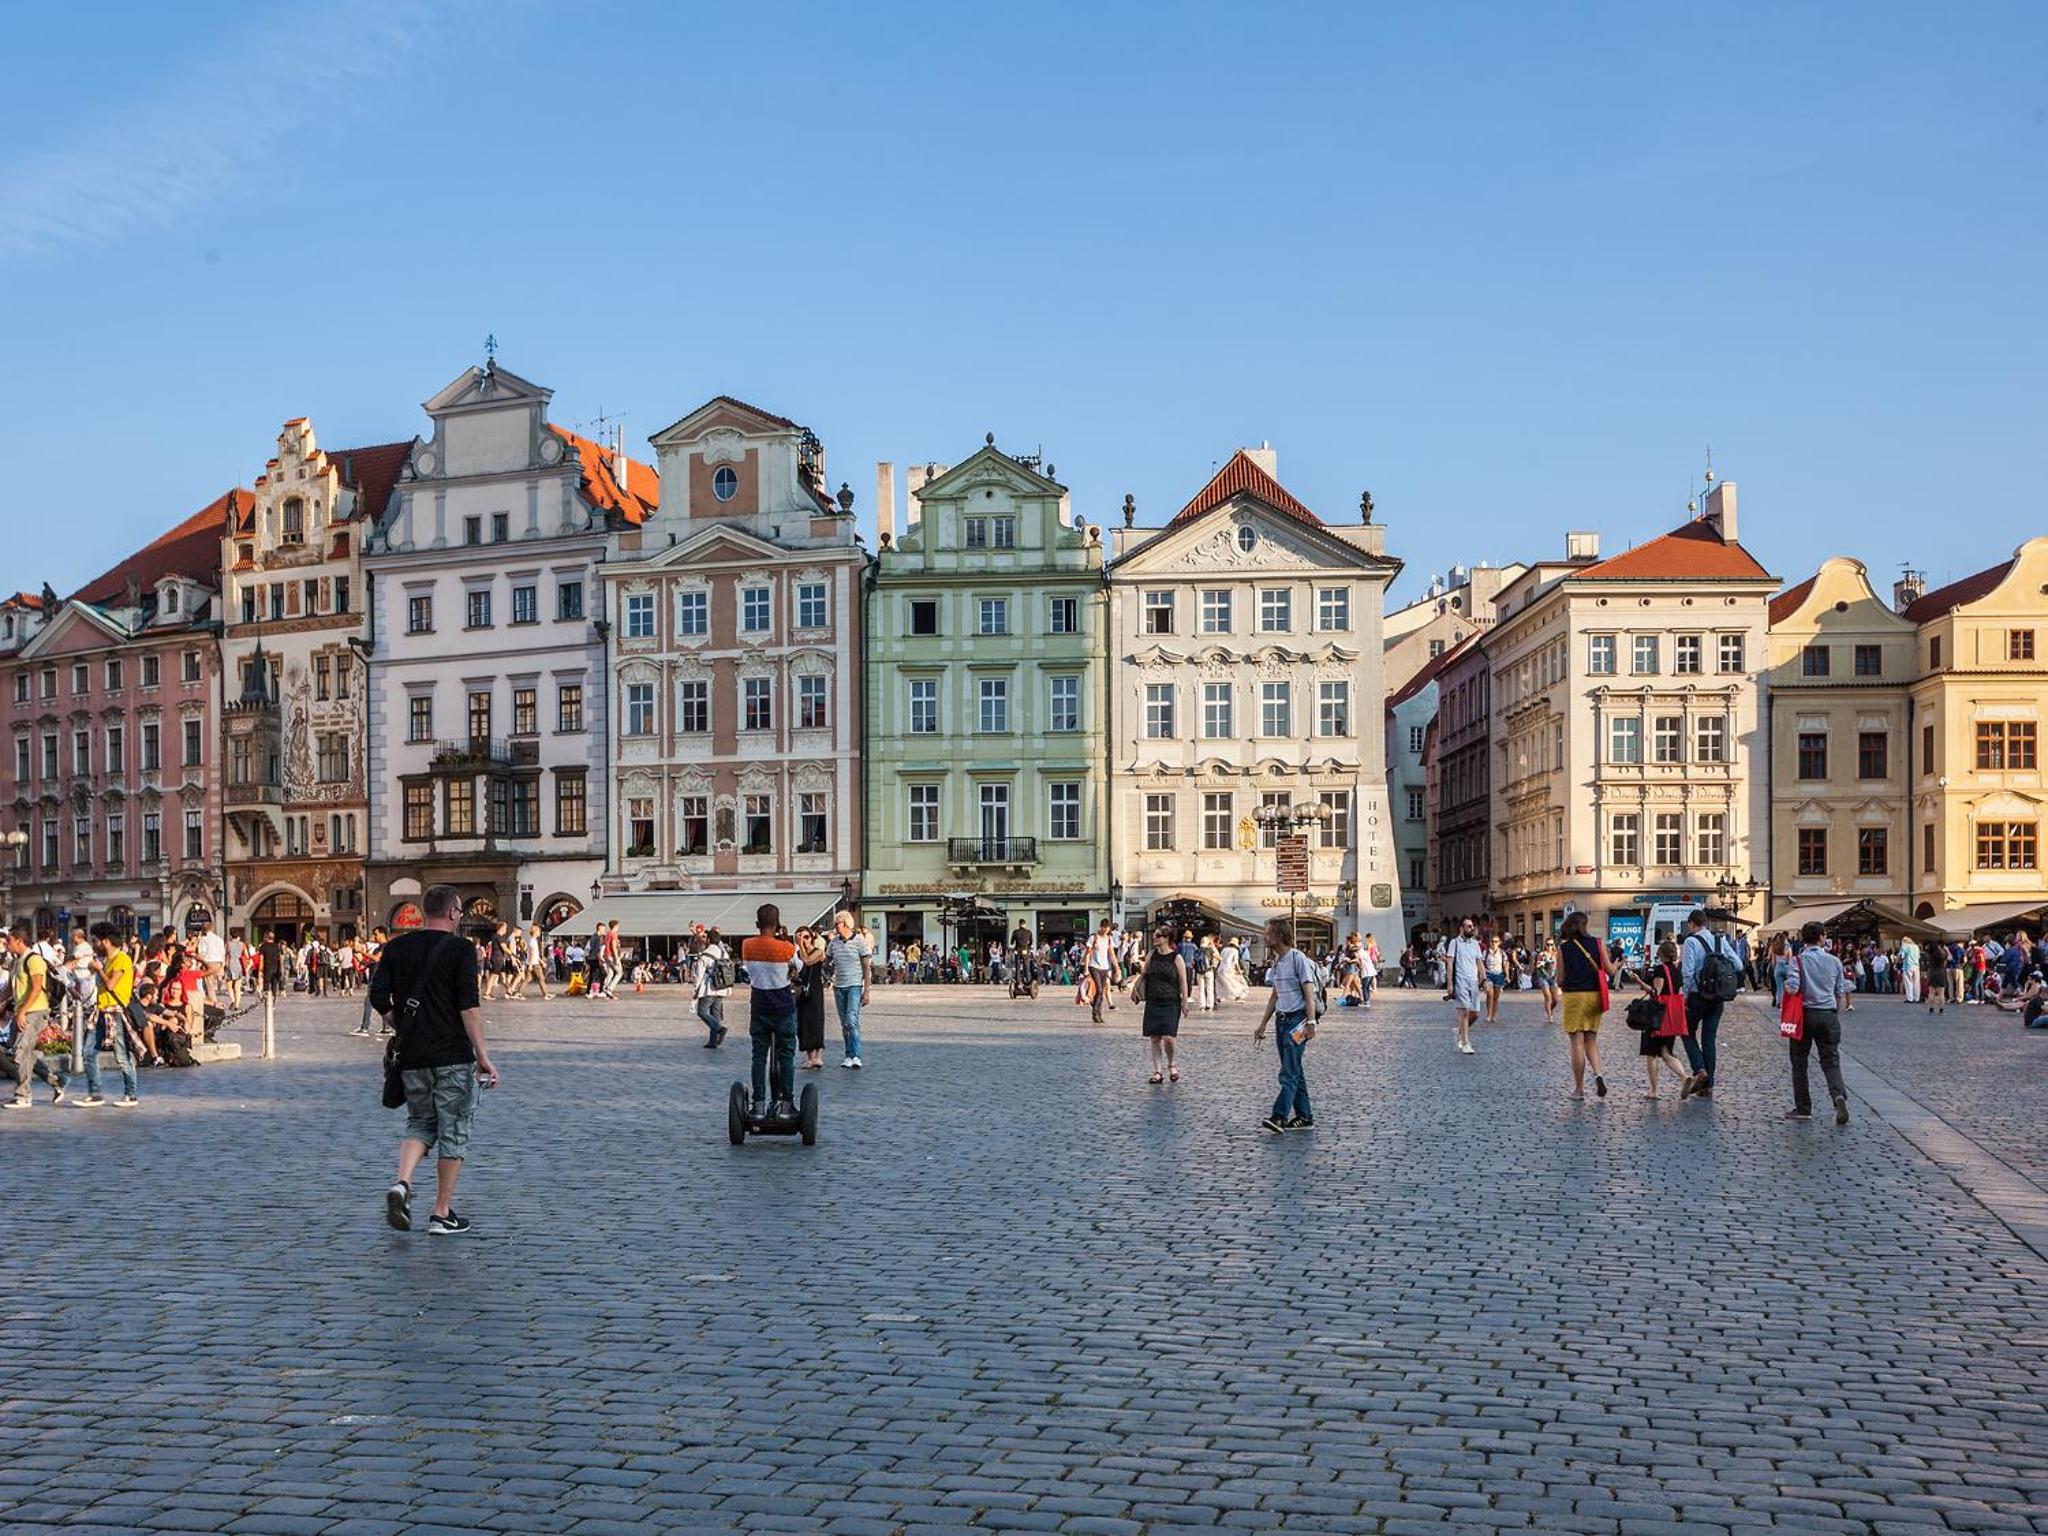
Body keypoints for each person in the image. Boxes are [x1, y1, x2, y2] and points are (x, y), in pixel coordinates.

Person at [376, 884, 500, 1236]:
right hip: (451, 1055)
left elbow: (378, 995)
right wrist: (483, 1057)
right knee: (454, 1132)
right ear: (451, 913)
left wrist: (400, 1024)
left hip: (413, 1057)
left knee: (420, 1122)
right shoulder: (461, 950)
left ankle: (402, 1182)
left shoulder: (396, 947)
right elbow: (469, 1009)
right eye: (459, 913)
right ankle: (441, 1213)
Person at [1253, 918, 1321, 1133]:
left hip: (1298, 1021)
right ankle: (1304, 1116)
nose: (1265, 937)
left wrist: (1310, 1023)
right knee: (1295, 1070)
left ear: (1280, 936)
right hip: (1282, 1021)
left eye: (1268, 933)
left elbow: (1309, 993)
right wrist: (1263, 1023)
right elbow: (1275, 995)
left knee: (1288, 1072)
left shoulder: (1297, 958)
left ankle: (1279, 1116)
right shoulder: (1278, 962)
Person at [1784, 921, 1852, 1124]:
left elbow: (1793, 988)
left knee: (1799, 1062)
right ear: (1822, 937)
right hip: (1828, 1014)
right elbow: (1841, 989)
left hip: (1804, 1016)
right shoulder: (1834, 961)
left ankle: (1803, 1107)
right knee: (1831, 1060)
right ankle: (1838, 1096)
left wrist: (1787, 986)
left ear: (1804, 939)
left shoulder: (1798, 960)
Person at [740, 904, 799, 1116]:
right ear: (777, 924)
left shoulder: (747, 945)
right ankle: (786, 1103)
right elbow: (799, 965)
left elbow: (746, 968)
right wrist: (785, 939)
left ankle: (758, 1104)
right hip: (783, 1007)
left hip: (759, 1006)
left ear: (757, 924)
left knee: (758, 1056)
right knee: (786, 1056)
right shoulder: (786, 948)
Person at [3, 924, 66, 1109]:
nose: (7, 945)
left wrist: (22, 1011)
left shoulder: (33, 959)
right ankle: (56, 1082)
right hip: (22, 1011)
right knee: (24, 1053)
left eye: (9, 942)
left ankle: (23, 1095)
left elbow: (37, 987)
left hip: (35, 1011)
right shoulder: (17, 961)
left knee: (21, 1052)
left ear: (19, 941)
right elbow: (9, 989)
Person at [1677, 910, 1737, 1102]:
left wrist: (1685, 997)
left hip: (1697, 995)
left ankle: (1699, 1068)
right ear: (1706, 923)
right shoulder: (1720, 941)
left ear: (1692, 924)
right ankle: (1708, 1086)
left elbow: (1687, 972)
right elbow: (1738, 964)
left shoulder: (1691, 942)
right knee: (1709, 1039)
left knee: (1686, 1031)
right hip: (1717, 996)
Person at [79, 922, 140, 1108]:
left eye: (96, 941)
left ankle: (131, 1094)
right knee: (88, 1052)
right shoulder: (108, 961)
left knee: (121, 1055)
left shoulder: (122, 959)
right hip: (101, 1011)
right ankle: (95, 1093)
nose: (94, 944)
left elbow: (112, 985)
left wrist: (98, 970)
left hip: (116, 1013)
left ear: (105, 941)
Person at [1555, 911, 1609, 1100]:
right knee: (1591, 1040)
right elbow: (1609, 969)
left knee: (1576, 1041)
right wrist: (1617, 965)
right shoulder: (1598, 943)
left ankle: (1579, 1089)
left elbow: (1560, 979)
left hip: (1574, 997)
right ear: (1585, 926)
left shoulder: (1563, 948)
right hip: (1595, 996)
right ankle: (1598, 1074)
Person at [1134, 924, 1190, 1084]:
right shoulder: (1151, 955)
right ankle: (1157, 1071)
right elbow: (1144, 974)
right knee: (1154, 1038)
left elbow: (1183, 981)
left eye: (1158, 935)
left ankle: (1172, 1064)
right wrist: (1135, 988)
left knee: (1168, 1037)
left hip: (1171, 1002)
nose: (1154, 937)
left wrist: (1185, 1001)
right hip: (1153, 1000)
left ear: (1166, 938)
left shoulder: (1176, 958)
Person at [1636, 939, 1691, 1099]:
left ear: (1661, 954)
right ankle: (1684, 1077)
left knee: (1652, 1054)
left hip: (1658, 1017)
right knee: (1666, 1052)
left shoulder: (1661, 969)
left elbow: (1656, 992)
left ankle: (1654, 1090)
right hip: (1672, 1016)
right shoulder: (1676, 970)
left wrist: (1638, 981)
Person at [826, 910, 873, 1068]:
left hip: (854, 985)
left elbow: (866, 967)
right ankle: (848, 1055)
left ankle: (856, 1055)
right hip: (838, 986)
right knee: (844, 1023)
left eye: (837, 923)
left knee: (851, 1020)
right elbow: (827, 963)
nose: (835, 926)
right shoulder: (834, 943)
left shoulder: (859, 941)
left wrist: (867, 990)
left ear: (846, 923)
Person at [1445, 917, 1483, 1055]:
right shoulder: (1454, 943)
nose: (1471, 929)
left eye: (1472, 926)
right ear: (1461, 928)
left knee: (1476, 1014)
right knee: (1464, 1011)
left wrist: (1483, 979)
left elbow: (1479, 963)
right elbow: (1449, 964)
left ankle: (1459, 1031)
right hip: (1460, 981)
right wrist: (1449, 983)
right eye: (1468, 926)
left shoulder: (1475, 944)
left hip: (1474, 982)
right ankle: (1465, 1043)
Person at [794, 925, 829, 1071]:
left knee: (816, 1020)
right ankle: (809, 1057)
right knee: (803, 1022)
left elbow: (808, 960)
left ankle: (818, 1055)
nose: (804, 940)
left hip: (815, 989)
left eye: (807, 937)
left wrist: (801, 945)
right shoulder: (796, 953)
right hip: (801, 990)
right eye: (800, 937)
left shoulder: (818, 952)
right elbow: (795, 968)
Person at [692, 929, 730, 1047]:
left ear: (708, 940)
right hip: (722, 987)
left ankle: (719, 1029)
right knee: (715, 1014)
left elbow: (698, 975)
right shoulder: (724, 953)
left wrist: (695, 989)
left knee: (702, 1011)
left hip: (709, 988)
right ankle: (713, 1041)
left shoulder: (705, 955)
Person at [1085, 920, 1117, 1024]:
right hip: (1094, 966)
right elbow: (1088, 954)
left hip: (1105, 967)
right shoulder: (1093, 938)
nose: (1105, 930)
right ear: (1100, 927)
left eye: (1107, 928)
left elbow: (1111, 954)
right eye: (1104, 927)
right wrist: (1086, 968)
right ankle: (1095, 1013)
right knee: (1099, 989)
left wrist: (1117, 967)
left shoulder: (1109, 939)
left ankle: (1098, 1013)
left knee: (1101, 992)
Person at [1534, 938, 1561, 1025]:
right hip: (1543, 977)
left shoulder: (1556, 954)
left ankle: (1550, 1009)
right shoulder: (1542, 954)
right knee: (1548, 997)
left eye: (1551, 944)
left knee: (1556, 1000)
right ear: (1545, 945)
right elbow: (1537, 966)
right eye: (1548, 944)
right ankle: (1550, 1017)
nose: (1550, 946)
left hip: (1553, 978)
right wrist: (1541, 966)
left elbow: (1559, 966)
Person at [1481, 932, 1506, 1023]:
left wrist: (1507, 974)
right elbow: (1481, 963)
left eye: (1496, 941)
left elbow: (1505, 963)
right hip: (1489, 974)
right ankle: (1488, 1014)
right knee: (1490, 994)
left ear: (1499, 943)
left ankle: (1493, 1015)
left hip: (1499, 975)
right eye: (1492, 941)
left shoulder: (1502, 952)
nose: (1494, 943)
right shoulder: (1486, 952)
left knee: (1496, 997)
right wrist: (1481, 975)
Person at [1217, 935, 1248, 1004]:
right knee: (1234, 983)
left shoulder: (1224, 949)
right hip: (1228, 969)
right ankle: (1237, 996)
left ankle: (1220, 997)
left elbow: (1220, 959)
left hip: (1220, 968)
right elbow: (1235, 962)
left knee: (1221, 984)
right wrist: (1239, 970)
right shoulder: (1235, 951)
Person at [1922, 935, 1948, 1015]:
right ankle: (1941, 1010)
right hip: (1940, 971)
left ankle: (1931, 1009)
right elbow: (1949, 957)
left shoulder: (1929, 954)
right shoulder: (1941, 953)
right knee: (1941, 993)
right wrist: (1945, 949)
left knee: (1931, 992)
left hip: (1931, 971)